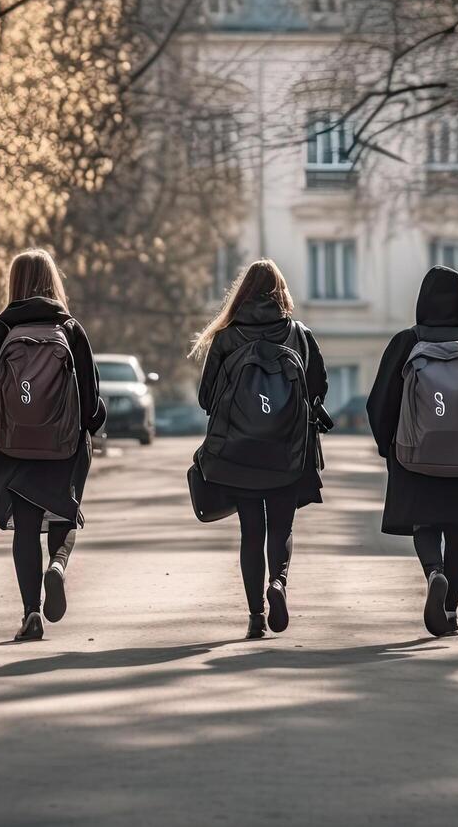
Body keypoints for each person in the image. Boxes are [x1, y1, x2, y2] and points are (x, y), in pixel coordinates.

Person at [367, 265, 458, 637]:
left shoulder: (407, 342)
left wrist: (390, 447)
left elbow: (378, 403)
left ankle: (434, 571)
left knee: (425, 522)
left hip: (416, 455)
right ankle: (449, 612)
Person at [0, 249, 105, 641]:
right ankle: (58, 566)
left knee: (25, 527)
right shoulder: (71, 329)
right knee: (63, 515)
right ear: (53, 282)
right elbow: (91, 399)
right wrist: (91, 425)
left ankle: (31, 613)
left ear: (14, 282)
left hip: (11, 444)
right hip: (63, 444)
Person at [192, 259, 327, 639]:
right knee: (281, 525)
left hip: (239, 452)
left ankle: (255, 617)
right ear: (281, 292)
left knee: (251, 531)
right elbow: (318, 390)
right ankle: (279, 583)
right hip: (287, 450)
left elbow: (206, 399)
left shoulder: (228, 336)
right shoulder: (299, 335)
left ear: (242, 294)